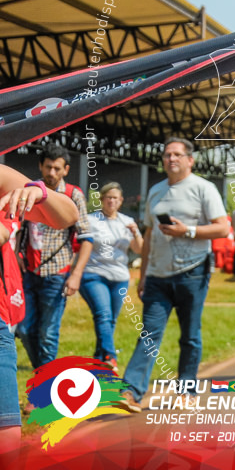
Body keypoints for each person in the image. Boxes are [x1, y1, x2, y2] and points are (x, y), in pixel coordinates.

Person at [120, 137, 230, 412]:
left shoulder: (203, 189)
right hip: (157, 276)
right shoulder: (156, 191)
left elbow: (222, 229)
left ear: (189, 160)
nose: (171, 159)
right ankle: (132, 392)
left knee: (189, 335)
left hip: (192, 272)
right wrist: (143, 275)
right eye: (167, 154)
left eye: (177, 155)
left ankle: (187, 390)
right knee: (149, 334)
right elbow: (148, 233)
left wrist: (187, 231)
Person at [0, 165, 78, 452]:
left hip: (45, 278)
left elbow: (69, 216)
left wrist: (41, 192)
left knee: (6, 436)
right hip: (27, 281)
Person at [15, 143, 94, 371]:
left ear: (66, 170)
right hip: (29, 272)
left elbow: (87, 237)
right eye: (48, 167)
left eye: (57, 169)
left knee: (48, 333)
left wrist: (76, 274)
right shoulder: (29, 190)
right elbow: (19, 227)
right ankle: (44, 377)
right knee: (25, 328)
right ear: (40, 166)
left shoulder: (73, 195)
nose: (51, 173)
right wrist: (17, 253)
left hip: (56, 274)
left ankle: (44, 387)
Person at [81, 182, 144, 372]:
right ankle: (110, 356)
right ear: (102, 200)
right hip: (94, 274)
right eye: (108, 197)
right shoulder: (91, 220)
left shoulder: (127, 221)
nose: (111, 201)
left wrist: (135, 232)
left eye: (115, 198)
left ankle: (99, 359)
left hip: (120, 277)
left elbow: (139, 249)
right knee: (103, 314)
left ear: (121, 201)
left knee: (111, 320)